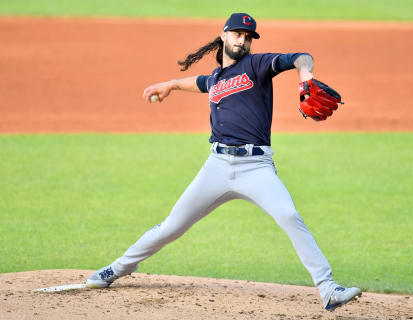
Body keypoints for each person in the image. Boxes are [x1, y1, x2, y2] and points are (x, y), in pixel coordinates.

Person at [86, 13, 361, 311]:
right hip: (216, 167)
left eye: (248, 36)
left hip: (256, 168)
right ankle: (117, 268)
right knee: (171, 226)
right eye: (237, 33)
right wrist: (170, 84)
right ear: (224, 35)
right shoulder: (216, 78)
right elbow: (199, 82)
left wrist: (305, 77)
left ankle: (328, 289)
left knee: (289, 216)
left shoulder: (258, 66)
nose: (242, 39)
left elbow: (301, 57)